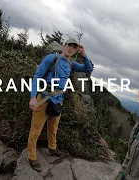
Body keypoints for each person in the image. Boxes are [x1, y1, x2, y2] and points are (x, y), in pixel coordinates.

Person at [27, 38, 93, 171]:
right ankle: (32, 156)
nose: (71, 49)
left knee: (53, 128)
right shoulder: (52, 58)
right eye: (69, 45)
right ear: (64, 46)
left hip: (58, 100)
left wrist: (83, 54)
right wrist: (33, 97)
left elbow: (88, 68)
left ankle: (52, 148)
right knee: (36, 130)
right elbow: (37, 76)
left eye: (74, 47)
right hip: (44, 98)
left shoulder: (71, 64)